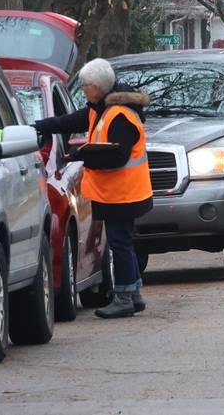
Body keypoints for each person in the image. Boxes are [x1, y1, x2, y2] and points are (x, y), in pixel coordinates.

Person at [33, 58, 152, 319]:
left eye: (86, 86)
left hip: (123, 193)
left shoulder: (119, 115)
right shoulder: (100, 109)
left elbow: (117, 157)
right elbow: (72, 121)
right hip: (120, 192)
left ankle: (123, 297)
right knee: (124, 242)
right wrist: (39, 126)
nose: (83, 90)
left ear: (98, 87)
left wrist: (81, 156)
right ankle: (133, 294)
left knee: (119, 242)